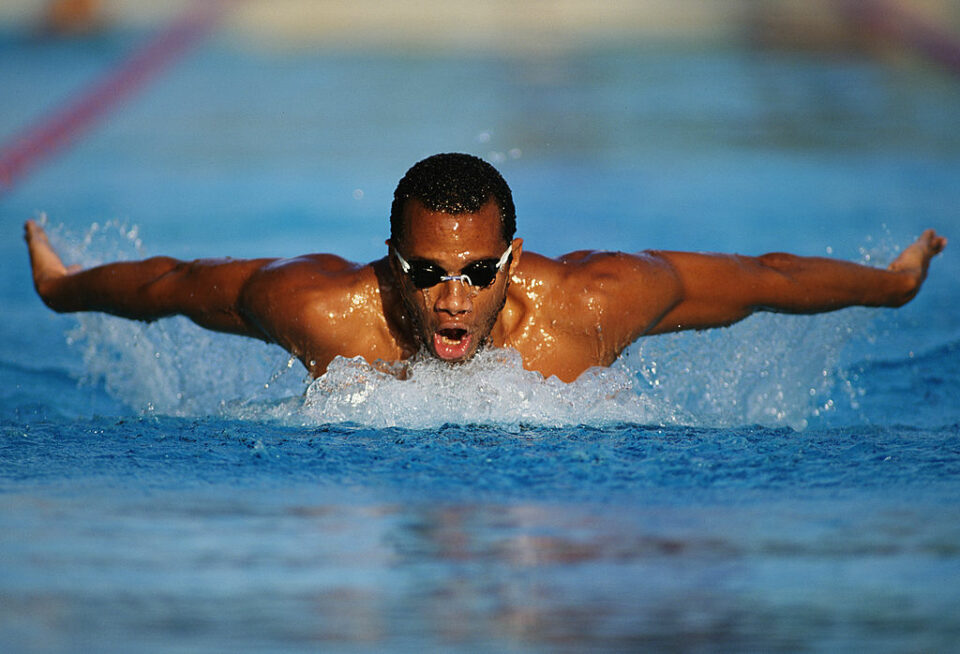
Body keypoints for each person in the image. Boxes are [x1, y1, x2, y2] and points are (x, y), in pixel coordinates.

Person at [25, 153, 946, 382]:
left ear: (511, 257)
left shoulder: (591, 304)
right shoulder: (325, 313)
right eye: (425, 275)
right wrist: (65, 289)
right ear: (393, 264)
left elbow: (765, 279)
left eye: (474, 271)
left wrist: (893, 285)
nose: (452, 299)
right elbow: (175, 285)